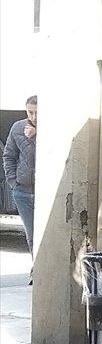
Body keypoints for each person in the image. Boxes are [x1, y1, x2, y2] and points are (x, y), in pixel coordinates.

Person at [3, 95, 37, 256]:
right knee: (31, 235)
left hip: (46, 192)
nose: (34, 117)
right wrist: (13, 182)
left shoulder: (53, 129)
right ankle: (36, 266)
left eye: (38, 113)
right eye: (30, 112)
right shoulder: (18, 127)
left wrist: (36, 136)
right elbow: (9, 155)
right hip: (23, 191)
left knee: (49, 234)